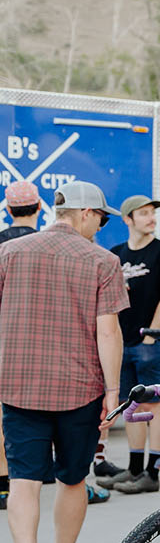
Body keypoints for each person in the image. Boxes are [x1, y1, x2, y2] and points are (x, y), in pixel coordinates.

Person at [0, 182, 126, 543]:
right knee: (72, 479)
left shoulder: (9, 254)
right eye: (102, 218)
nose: (102, 227)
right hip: (79, 390)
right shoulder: (103, 262)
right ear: (86, 213)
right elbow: (107, 330)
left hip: (18, 385)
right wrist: (113, 393)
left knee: (23, 481)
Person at [107, 195, 160, 494]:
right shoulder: (115, 255)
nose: (151, 218)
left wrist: (152, 333)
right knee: (131, 405)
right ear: (128, 219)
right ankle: (135, 468)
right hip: (121, 343)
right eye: (144, 213)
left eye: (153, 213)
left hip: (150, 342)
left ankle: (153, 471)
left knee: (153, 405)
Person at [0, 182, 41, 509]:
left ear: (8, 209)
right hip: (40, 341)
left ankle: (4, 480)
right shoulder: (45, 245)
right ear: (39, 207)